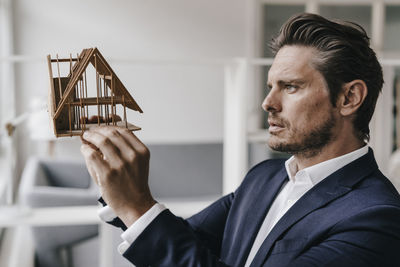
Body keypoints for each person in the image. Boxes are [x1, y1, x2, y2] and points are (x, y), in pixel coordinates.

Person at [80, 13, 400, 266]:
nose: (268, 103)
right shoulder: (264, 177)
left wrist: (137, 205)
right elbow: (184, 243)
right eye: (270, 86)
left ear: (349, 97)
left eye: (290, 87)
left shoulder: (377, 217)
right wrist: (116, 189)